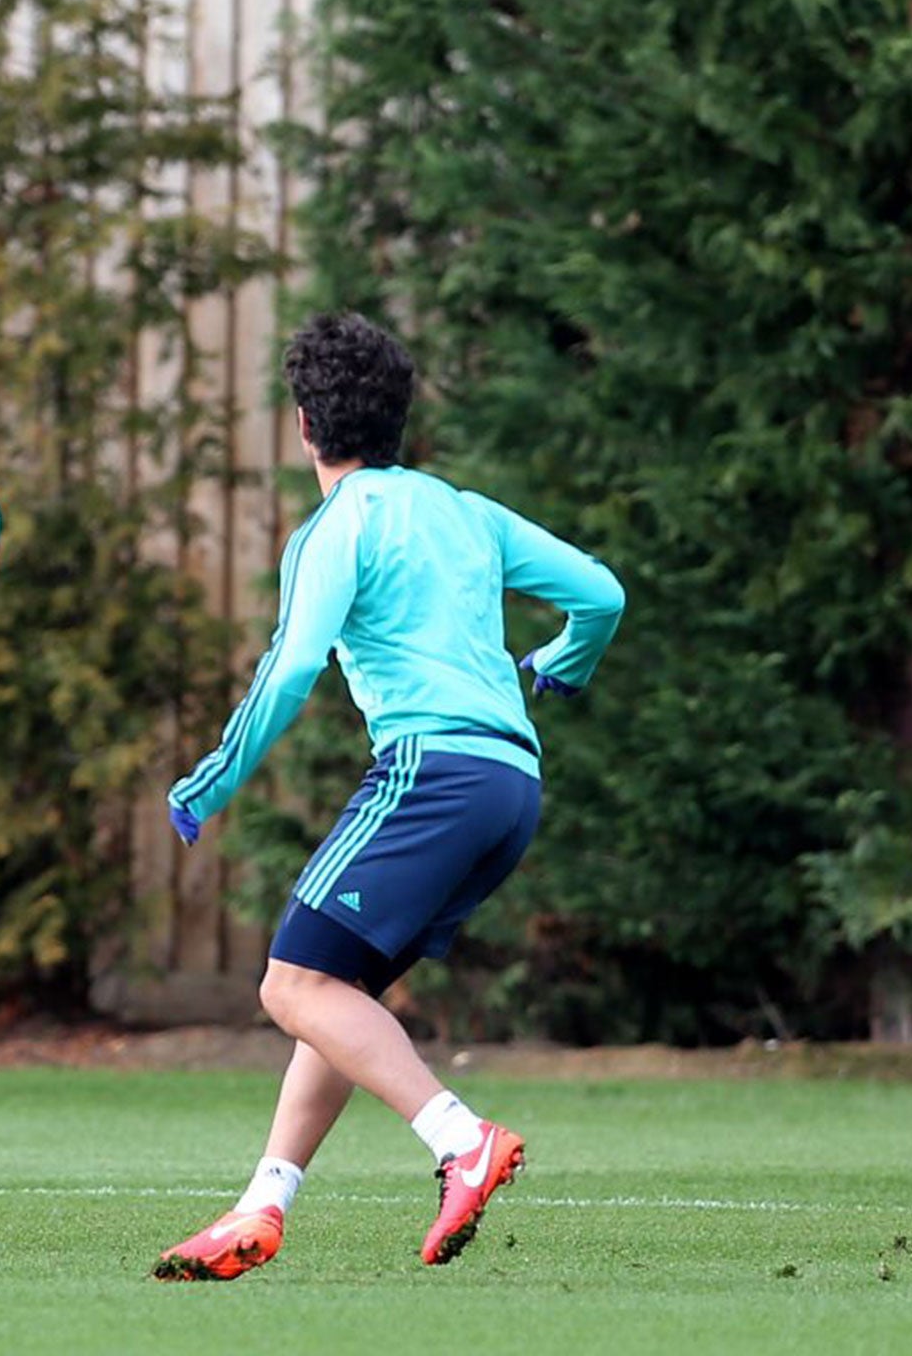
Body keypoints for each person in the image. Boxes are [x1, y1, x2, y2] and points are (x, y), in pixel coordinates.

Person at [153, 311, 624, 1280]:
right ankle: (261, 1208)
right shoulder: (463, 509)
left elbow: (288, 673)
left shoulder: (337, 527)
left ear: (301, 427)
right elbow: (600, 594)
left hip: (430, 772)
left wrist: (214, 777)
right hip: (510, 785)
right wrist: (562, 664)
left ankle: (459, 1142)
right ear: (397, 418)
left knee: (288, 986)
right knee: (335, 992)